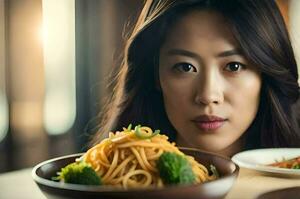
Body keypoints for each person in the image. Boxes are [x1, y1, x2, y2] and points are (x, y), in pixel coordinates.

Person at [92, 0, 300, 157]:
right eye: (185, 67)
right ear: (155, 74)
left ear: (266, 73)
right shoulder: (109, 179)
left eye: (233, 66)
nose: (208, 95)